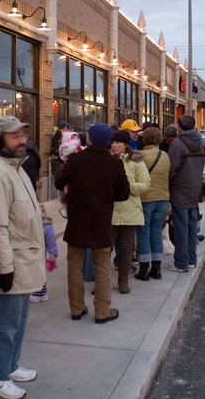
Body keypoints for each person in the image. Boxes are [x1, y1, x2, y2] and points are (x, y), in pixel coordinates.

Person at [0, 116, 46, 399]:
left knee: (18, 321)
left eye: (23, 135)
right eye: (15, 137)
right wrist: (4, 268)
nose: (23, 141)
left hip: (26, 260)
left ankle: (11, 365)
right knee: (5, 325)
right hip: (13, 263)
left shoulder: (16, 167)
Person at [55, 123, 129, 325]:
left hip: (78, 221)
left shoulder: (75, 159)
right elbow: (124, 194)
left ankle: (77, 308)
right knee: (102, 267)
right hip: (102, 221)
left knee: (74, 266)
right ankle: (102, 311)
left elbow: (58, 183)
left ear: (90, 139)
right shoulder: (114, 163)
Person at [109, 130, 150, 294]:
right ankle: (102, 284)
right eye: (112, 142)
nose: (114, 145)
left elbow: (145, 184)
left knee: (126, 249)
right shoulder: (107, 160)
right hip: (109, 212)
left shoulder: (136, 161)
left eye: (117, 142)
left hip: (130, 210)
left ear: (126, 144)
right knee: (105, 250)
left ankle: (123, 281)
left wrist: (126, 187)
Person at [167, 115, 205, 273]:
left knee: (180, 227)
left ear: (181, 126)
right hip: (194, 189)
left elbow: (171, 169)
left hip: (180, 190)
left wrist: (169, 185)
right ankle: (191, 259)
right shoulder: (200, 144)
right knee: (191, 226)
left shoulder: (178, 144)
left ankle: (181, 262)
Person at [137, 127, 171, 280]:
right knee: (157, 232)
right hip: (162, 198)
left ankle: (144, 267)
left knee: (143, 233)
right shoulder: (165, 156)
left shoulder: (141, 156)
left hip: (145, 198)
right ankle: (156, 268)